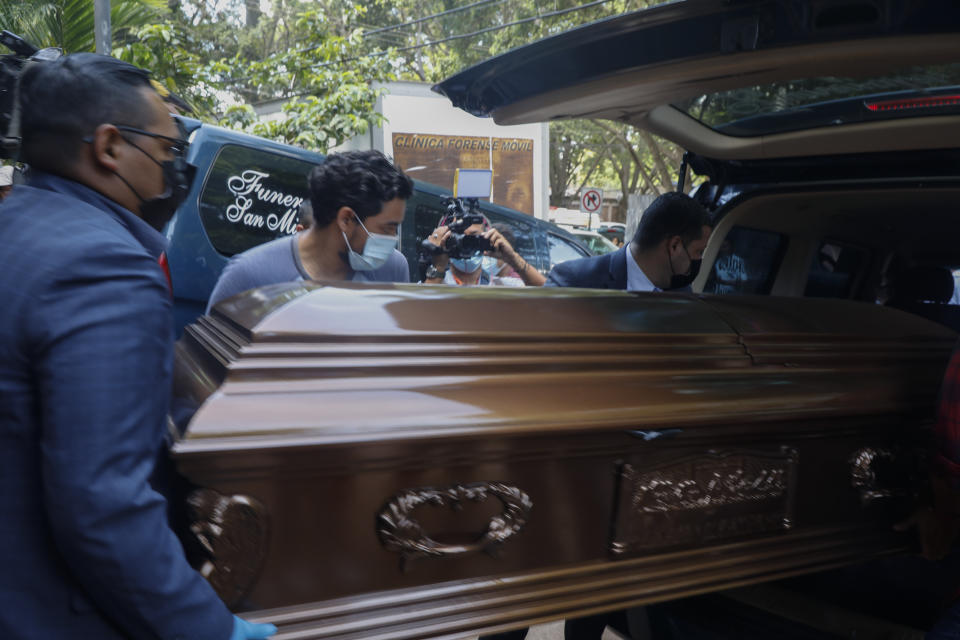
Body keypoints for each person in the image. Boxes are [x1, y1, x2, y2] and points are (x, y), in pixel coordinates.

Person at [0, 54, 274, 640]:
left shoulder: (18, 222)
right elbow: (103, 504)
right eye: (171, 150)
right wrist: (209, 629)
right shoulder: (105, 266)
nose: (176, 168)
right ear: (109, 146)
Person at [207, 150, 413, 311]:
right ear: (346, 219)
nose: (392, 239)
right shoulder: (249, 276)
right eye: (387, 229)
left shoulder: (392, 269)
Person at [546, 192, 712, 291]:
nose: (699, 260)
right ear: (674, 246)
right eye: (699, 251)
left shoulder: (683, 294)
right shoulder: (573, 282)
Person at [423, 217, 546, 286]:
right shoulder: (435, 284)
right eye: (459, 237)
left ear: (487, 239)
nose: (466, 243)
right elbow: (420, 312)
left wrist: (512, 258)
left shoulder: (503, 287)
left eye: (473, 237)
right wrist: (438, 266)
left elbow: (548, 294)